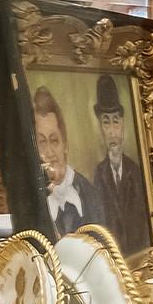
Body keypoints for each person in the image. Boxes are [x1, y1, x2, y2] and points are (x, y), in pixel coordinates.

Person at [91, 75, 150, 253]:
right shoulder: (99, 175)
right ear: (101, 128)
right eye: (106, 123)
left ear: (123, 125)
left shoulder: (136, 172)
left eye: (115, 122)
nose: (112, 132)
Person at [32, 86, 100, 238]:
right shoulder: (32, 201)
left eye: (54, 140)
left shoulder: (90, 194)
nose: (49, 152)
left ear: (65, 144)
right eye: (42, 142)